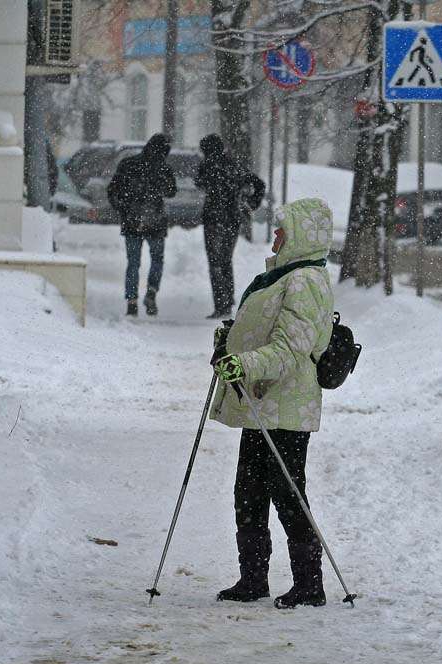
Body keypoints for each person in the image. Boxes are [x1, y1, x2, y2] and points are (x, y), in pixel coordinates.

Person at [209, 197, 335, 609]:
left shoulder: (306, 282)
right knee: (248, 492)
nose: (276, 235)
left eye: (283, 229)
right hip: (261, 403)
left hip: (287, 407)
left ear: (301, 235)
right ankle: (252, 578)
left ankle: (309, 584)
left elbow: (289, 351)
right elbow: (261, 330)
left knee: (287, 493)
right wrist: (229, 341)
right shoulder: (282, 276)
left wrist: (240, 363)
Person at [194, 134, 265, 319]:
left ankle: (221, 303)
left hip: (213, 219)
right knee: (225, 260)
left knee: (215, 262)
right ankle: (228, 298)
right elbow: (258, 183)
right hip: (232, 218)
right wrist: (251, 202)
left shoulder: (207, 166)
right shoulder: (234, 165)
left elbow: (199, 183)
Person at [107, 134, 177, 316]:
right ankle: (151, 292)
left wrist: (123, 208)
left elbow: (113, 190)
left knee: (133, 263)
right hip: (156, 221)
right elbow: (171, 192)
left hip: (132, 221)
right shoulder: (163, 168)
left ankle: (131, 301)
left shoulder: (128, 164)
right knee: (157, 260)